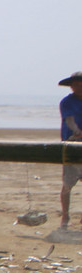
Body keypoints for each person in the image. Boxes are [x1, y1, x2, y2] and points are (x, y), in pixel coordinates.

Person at [58, 72, 82, 228]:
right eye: (76, 85)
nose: (79, 87)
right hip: (72, 144)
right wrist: (77, 132)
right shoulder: (67, 102)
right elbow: (70, 120)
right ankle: (65, 216)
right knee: (68, 184)